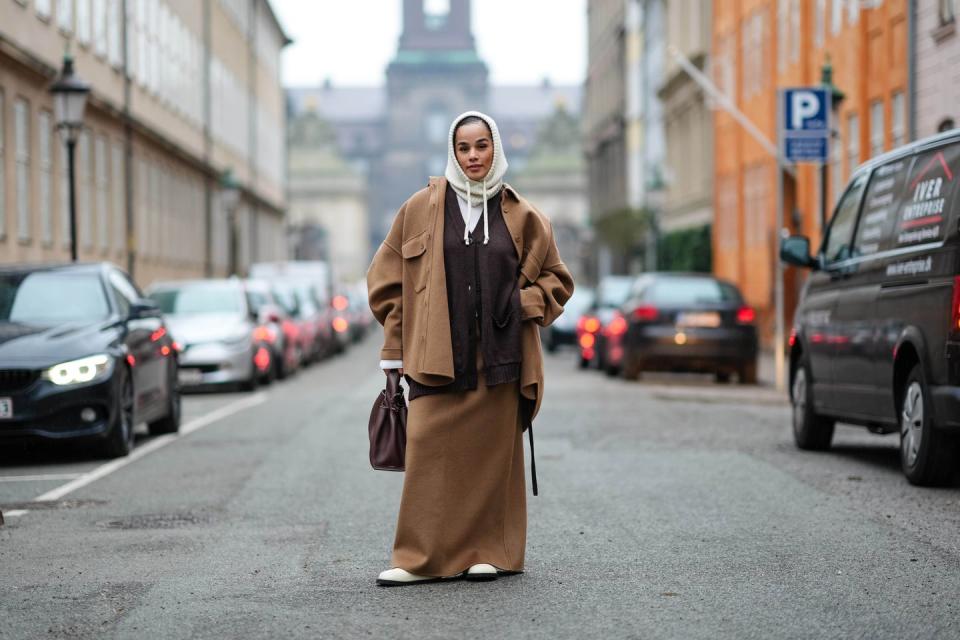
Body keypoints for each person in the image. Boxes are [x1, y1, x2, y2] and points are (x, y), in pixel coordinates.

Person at [366, 110, 574, 586]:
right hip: (437, 356)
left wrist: (527, 302)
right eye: (464, 147)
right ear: (453, 152)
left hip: (502, 357)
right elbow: (387, 281)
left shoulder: (524, 215)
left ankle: (491, 551)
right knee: (429, 452)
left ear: (495, 149)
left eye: (482, 146)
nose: (473, 155)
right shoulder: (419, 208)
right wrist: (395, 348)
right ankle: (419, 558)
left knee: (491, 459)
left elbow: (558, 278)